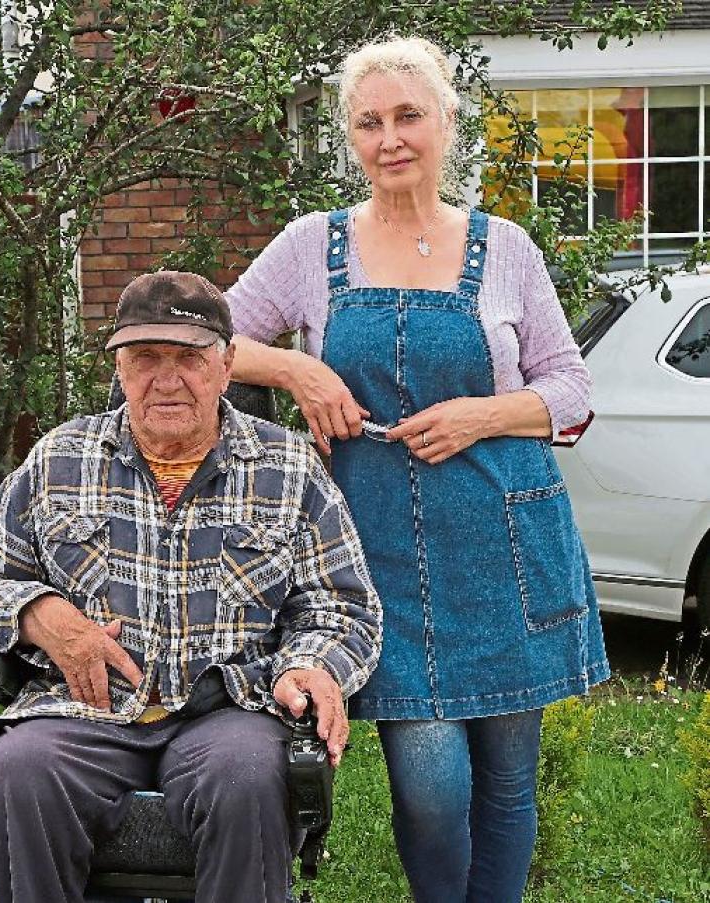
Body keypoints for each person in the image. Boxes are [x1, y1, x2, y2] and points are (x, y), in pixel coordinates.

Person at [225, 36, 610, 903]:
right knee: (432, 789)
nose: (390, 137)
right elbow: (210, 338)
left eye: (408, 115)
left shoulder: (504, 247)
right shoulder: (309, 246)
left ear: (445, 123)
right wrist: (297, 368)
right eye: (368, 122)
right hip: (376, 555)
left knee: (507, 783)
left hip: (505, 543)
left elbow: (571, 388)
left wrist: (482, 413)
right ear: (349, 140)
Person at [0, 271, 382, 903]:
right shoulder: (60, 459)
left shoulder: (287, 467)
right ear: (120, 368)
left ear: (227, 364)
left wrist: (312, 667)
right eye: (145, 357)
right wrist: (39, 613)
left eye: (189, 357)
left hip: (231, 707)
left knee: (246, 779)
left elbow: (342, 607)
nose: (167, 378)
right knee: (19, 772)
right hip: (86, 709)